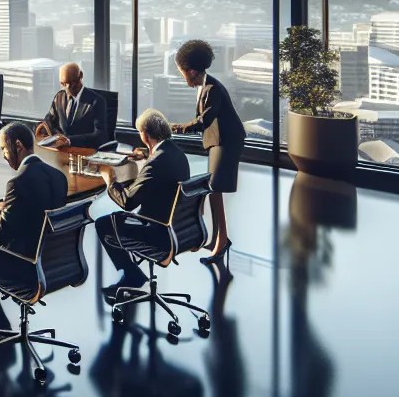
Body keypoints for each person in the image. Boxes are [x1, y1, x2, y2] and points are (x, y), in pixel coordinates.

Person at [0, 121, 68, 333]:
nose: (3, 156)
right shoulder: (58, 177)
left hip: (27, 270)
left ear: (17, 145)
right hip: (54, 265)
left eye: (4, 149)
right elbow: (26, 217)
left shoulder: (18, 182)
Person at [94, 108, 191, 300]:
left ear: (145, 135)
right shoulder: (176, 153)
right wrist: (147, 155)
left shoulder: (155, 163)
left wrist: (110, 180)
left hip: (159, 234)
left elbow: (128, 202)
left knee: (104, 224)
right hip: (180, 231)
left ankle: (132, 275)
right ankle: (133, 275)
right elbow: (160, 176)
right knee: (118, 219)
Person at [171, 39, 244, 261]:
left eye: (182, 72)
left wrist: (176, 127)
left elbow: (204, 120)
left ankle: (221, 241)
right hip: (217, 140)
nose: (182, 77)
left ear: (192, 71)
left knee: (214, 189)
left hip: (226, 142)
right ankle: (218, 238)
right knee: (214, 190)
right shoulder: (204, 85)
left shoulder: (212, 89)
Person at [36, 62, 109, 149]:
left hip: (83, 151)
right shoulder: (60, 97)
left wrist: (69, 140)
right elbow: (49, 121)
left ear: (80, 76)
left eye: (71, 82)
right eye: (63, 84)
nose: (67, 87)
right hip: (61, 150)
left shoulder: (96, 101)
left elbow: (100, 136)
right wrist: (56, 137)